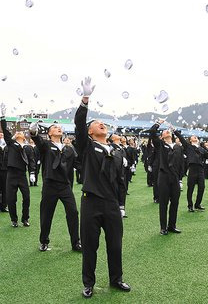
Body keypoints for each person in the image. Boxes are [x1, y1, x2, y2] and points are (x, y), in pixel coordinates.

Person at [74, 77, 130, 298]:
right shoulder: (86, 147)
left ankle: (117, 279)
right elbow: (79, 124)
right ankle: (89, 283)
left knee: (115, 245)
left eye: (103, 123)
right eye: (96, 123)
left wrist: (121, 204)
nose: (101, 124)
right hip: (91, 202)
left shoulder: (116, 150)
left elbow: (120, 180)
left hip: (111, 204)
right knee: (90, 246)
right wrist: (85, 100)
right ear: (90, 132)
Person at [30, 123, 81, 252]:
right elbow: (38, 140)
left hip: (65, 186)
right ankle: (44, 241)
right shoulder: (46, 146)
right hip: (50, 185)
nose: (58, 128)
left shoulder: (69, 149)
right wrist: (33, 132)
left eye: (59, 127)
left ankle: (76, 243)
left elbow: (78, 164)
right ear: (49, 133)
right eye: (54, 128)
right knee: (47, 214)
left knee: (73, 212)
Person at [0, 106, 36, 227]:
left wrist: (32, 173)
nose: (20, 133)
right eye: (18, 132)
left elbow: (31, 161)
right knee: (11, 199)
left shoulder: (28, 147)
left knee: (26, 198)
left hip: (22, 175)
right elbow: (5, 131)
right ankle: (14, 219)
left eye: (22, 132)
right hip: (11, 174)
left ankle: (25, 219)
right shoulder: (11, 144)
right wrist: (3, 117)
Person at [146, 119, 182, 235]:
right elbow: (152, 132)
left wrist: (180, 178)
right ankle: (163, 227)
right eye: (164, 132)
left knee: (175, 202)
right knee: (163, 203)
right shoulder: (160, 145)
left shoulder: (177, 146)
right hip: (164, 176)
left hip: (175, 177)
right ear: (161, 137)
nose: (167, 131)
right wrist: (158, 123)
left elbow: (180, 163)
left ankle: (172, 225)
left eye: (168, 131)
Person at [175, 130, 208, 212]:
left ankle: (197, 204)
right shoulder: (188, 146)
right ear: (190, 140)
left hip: (201, 169)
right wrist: (175, 131)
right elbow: (181, 137)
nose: (195, 137)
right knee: (190, 188)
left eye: (196, 136)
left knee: (202, 187)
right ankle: (190, 205)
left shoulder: (201, 149)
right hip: (192, 169)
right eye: (193, 137)